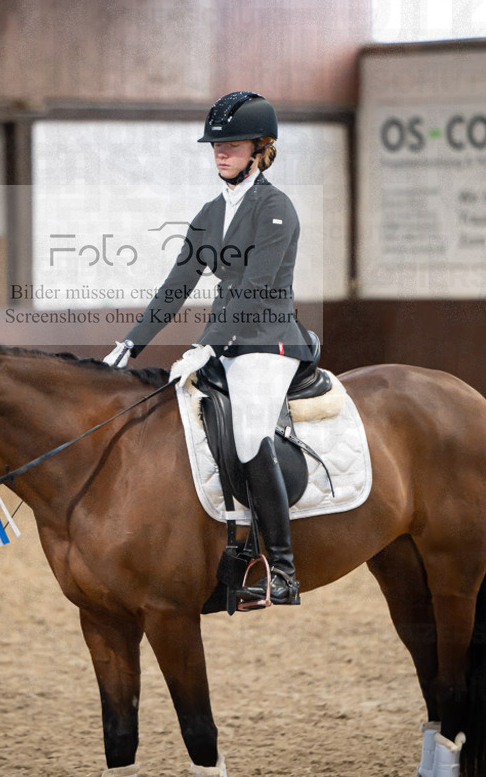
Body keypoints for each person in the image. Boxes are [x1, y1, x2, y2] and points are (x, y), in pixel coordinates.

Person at [103, 91, 315, 606]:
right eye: (216, 144)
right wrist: (131, 343)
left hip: (269, 343)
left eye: (233, 143)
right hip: (225, 344)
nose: (221, 152)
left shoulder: (276, 208)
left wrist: (204, 345)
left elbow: (255, 289)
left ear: (261, 148)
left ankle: (282, 570)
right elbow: (176, 285)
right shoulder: (208, 213)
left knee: (247, 434)